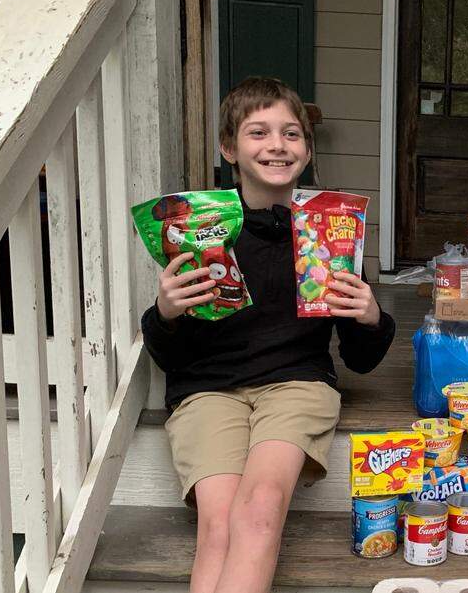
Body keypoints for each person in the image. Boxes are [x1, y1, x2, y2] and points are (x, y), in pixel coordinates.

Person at [141, 77, 395, 593]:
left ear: (306, 148)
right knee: (217, 526)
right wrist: (165, 312)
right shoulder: (200, 229)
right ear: (229, 148)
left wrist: (370, 317)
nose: (277, 145)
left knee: (258, 510)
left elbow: (359, 359)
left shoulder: (330, 232)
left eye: (292, 133)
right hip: (207, 387)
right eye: (259, 132)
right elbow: (171, 354)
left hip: (296, 384)